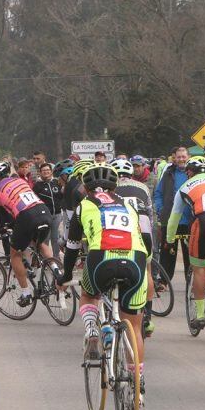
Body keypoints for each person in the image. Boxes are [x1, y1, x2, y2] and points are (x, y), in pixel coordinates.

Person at [57, 164, 148, 389]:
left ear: (86, 189)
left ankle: (92, 331)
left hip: (101, 259)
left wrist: (66, 275)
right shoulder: (130, 204)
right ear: (115, 186)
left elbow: (72, 247)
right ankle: (137, 380)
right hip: (136, 259)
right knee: (134, 326)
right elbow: (147, 238)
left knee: (88, 295)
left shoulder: (84, 206)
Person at [166, 156, 205, 330]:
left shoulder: (184, 186)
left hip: (204, 222)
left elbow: (174, 218)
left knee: (199, 269)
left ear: (189, 172)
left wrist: (170, 239)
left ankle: (200, 315)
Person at [0, 162, 55, 307]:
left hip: (27, 217)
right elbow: (21, 202)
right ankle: (57, 271)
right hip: (44, 211)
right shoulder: (20, 181)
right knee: (40, 244)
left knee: (15, 254)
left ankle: (26, 293)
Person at [112, 158, 156, 336]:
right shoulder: (142, 187)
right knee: (147, 271)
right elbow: (151, 214)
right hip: (144, 228)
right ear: (131, 174)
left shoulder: (109, 187)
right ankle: (147, 316)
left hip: (121, 230)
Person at [154, 146, 191, 280]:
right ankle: (164, 281)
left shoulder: (193, 172)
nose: (181, 159)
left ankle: (191, 280)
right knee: (167, 253)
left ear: (188, 157)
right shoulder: (168, 173)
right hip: (170, 220)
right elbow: (158, 193)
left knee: (190, 254)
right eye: (178, 157)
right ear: (174, 158)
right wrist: (160, 208)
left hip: (189, 221)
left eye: (183, 157)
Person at [33, 162, 63, 258]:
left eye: (48, 170)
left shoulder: (57, 182)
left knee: (56, 239)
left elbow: (62, 196)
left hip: (57, 215)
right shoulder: (37, 185)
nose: (46, 172)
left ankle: (56, 259)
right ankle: (45, 260)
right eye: (44, 171)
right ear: (40, 172)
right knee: (45, 239)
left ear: (51, 171)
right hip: (45, 217)